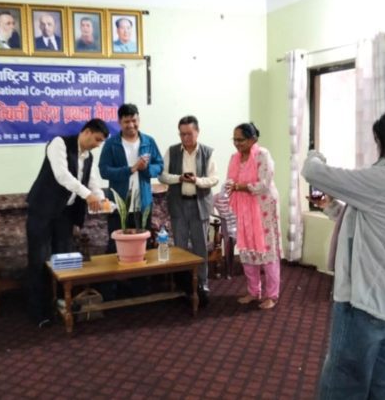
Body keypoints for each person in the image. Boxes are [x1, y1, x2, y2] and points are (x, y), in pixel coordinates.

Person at [302, 107, 385, 400]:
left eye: (379, 141)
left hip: (364, 303)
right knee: (384, 386)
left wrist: (314, 152)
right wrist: (331, 208)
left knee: (342, 386)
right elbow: (374, 226)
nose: (378, 148)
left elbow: (313, 172)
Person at [26, 119, 110, 327]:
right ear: (87, 132)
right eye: (97, 139)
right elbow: (62, 176)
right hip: (42, 211)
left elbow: (93, 182)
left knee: (64, 260)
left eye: (101, 142)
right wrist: (88, 195)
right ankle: (39, 313)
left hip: (64, 214)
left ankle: (63, 303)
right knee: (39, 261)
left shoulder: (88, 156)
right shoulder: (59, 143)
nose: (98, 145)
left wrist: (100, 199)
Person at [159, 115, 218, 298]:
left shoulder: (207, 152)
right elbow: (162, 176)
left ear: (197, 132)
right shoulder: (172, 151)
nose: (185, 138)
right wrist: (179, 178)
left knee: (201, 247)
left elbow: (214, 179)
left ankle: (202, 283)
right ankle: (183, 284)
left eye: (189, 134)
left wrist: (197, 180)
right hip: (178, 204)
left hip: (200, 204)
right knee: (180, 247)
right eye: (182, 134)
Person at [227, 123, 282, 310]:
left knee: (267, 249)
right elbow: (230, 180)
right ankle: (253, 291)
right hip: (243, 208)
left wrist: (239, 187)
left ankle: (272, 295)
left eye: (240, 140)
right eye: (234, 139)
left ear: (253, 139)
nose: (236, 143)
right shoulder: (234, 158)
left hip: (263, 207)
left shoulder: (262, 155)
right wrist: (231, 186)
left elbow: (263, 184)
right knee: (247, 249)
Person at [99, 103, 163, 253]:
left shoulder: (148, 141)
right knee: (117, 248)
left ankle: (142, 270)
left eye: (134, 120)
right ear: (119, 122)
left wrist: (146, 168)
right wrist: (130, 169)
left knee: (142, 247)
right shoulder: (111, 144)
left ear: (139, 120)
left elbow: (159, 165)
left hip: (143, 205)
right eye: (126, 121)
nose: (131, 125)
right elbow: (104, 171)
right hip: (118, 206)